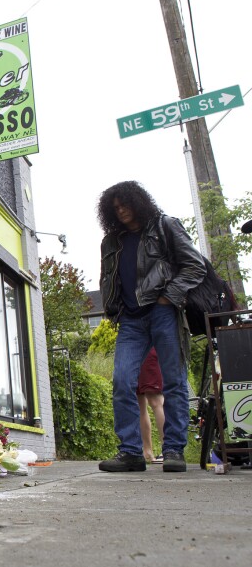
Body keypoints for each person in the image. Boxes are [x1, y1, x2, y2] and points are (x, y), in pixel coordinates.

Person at [97, 181, 205, 473]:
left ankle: (173, 450)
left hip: (162, 313)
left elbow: (195, 265)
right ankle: (131, 452)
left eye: (125, 205)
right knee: (122, 382)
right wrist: (113, 309)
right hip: (130, 319)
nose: (121, 211)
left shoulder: (165, 226)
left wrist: (167, 298)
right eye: (115, 207)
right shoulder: (111, 241)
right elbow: (108, 278)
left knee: (173, 381)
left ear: (139, 202)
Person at [138, 348, 165, 464]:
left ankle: (167, 449)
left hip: (149, 349)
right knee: (139, 403)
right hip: (134, 351)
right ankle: (147, 451)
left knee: (155, 400)